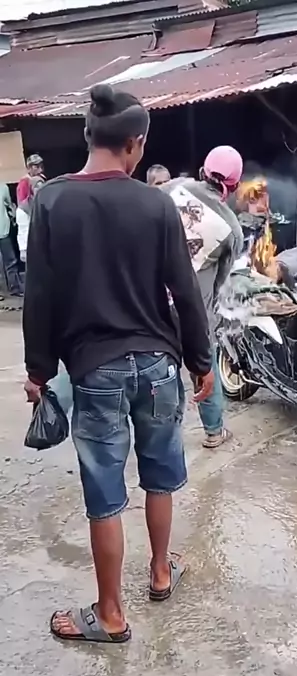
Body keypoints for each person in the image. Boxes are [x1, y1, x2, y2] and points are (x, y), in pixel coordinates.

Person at [23, 83, 214, 645]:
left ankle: (110, 615)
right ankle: (160, 572)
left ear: (88, 136)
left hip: (95, 369)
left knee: (105, 494)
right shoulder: (156, 204)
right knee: (159, 476)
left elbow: (40, 297)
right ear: (135, 144)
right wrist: (201, 361)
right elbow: (186, 291)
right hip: (158, 366)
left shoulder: (52, 201)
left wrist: (38, 371)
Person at [162, 146, 244, 449]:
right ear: (234, 185)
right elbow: (221, 279)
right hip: (196, 312)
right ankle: (213, 431)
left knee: (165, 368)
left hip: (157, 302)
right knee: (203, 366)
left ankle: (167, 435)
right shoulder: (232, 229)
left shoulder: (172, 189)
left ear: (202, 171)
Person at [0, 181, 24, 297]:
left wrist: (12, 214)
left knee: (11, 261)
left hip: (4, 229)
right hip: (3, 228)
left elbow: (8, 204)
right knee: (9, 262)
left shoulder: (3, 187)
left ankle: (15, 288)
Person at [16, 175, 45, 264]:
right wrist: (23, 249)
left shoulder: (47, 203)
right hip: (31, 245)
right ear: (31, 188)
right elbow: (23, 230)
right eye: (36, 186)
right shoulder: (24, 207)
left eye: (41, 186)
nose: (39, 189)